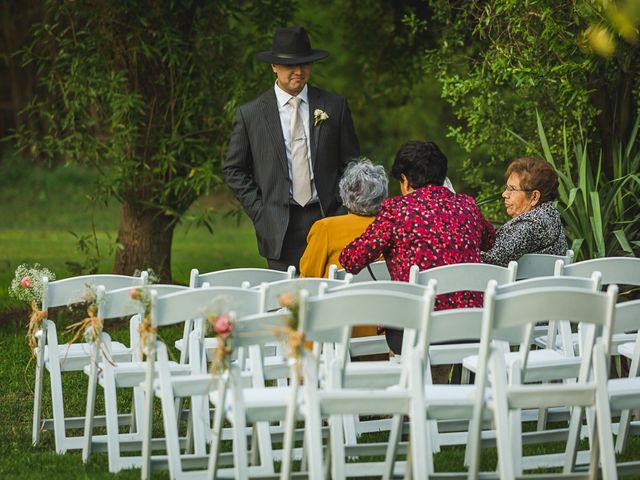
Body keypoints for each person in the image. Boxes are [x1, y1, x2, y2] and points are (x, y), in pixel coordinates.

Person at [339, 140, 495, 359]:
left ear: (405, 179)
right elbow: (489, 240)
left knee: (404, 326)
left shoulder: (397, 210)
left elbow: (351, 259)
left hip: (416, 329)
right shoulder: (467, 205)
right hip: (470, 326)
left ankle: (417, 389)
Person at [223, 26, 360, 272]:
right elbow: (234, 169)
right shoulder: (251, 114)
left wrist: (342, 207)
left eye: (305, 64)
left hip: (329, 217)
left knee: (330, 298)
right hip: (278, 225)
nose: (299, 71)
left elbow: (352, 164)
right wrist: (260, 211)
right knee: (286, 302)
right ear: (274, 66)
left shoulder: (334, 105)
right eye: (290, 65)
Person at [299, 158, 388, 278]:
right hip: (382, 295)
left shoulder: (325, 228)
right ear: (382, 196)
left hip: (336, 296)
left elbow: (309, 277)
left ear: (344, 194)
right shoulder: (392, 227)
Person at [482, 157, 568, 266]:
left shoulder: (531, 225)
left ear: (534, 196)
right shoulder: (551, 217)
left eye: (512, 189)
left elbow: (491, 260)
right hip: (543, 283)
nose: (504, 194)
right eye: (506, 188)